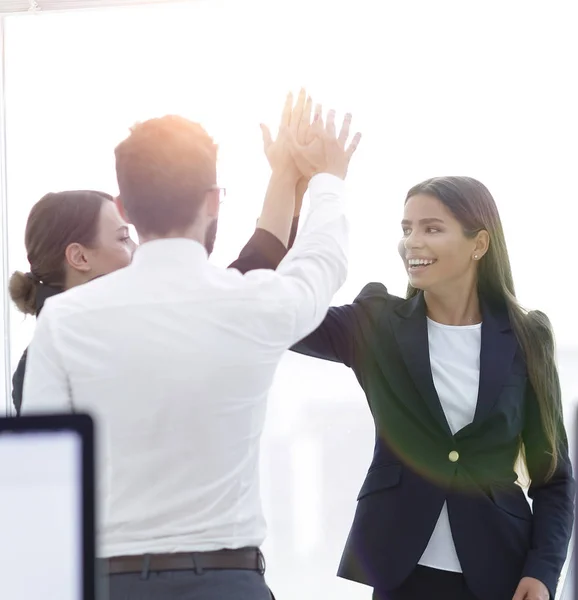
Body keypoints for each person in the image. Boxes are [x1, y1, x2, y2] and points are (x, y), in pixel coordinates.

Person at [21, 95, 361, 600]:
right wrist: (327, 181)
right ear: (213, 201)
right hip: (229, 583)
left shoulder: (64, 323)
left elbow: (40, 481)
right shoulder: (252, 303)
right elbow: (320, 262)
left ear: (124, 207)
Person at [281, 171, 574, 600]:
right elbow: (281, 313)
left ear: (479, 244)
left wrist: (543, 572)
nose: (411, 242)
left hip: (502, 575)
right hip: (402, 572)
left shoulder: (527, 337)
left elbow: (554, 478)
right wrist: (293, 196)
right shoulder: (377, 324)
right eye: (406, 228)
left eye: (431, 228)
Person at [9, 92, 306, 415]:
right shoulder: (51, 359)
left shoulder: (121, 325)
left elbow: (256, 261)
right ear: (80, 257)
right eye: (124, 238)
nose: (138, 249)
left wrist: (286, 178)